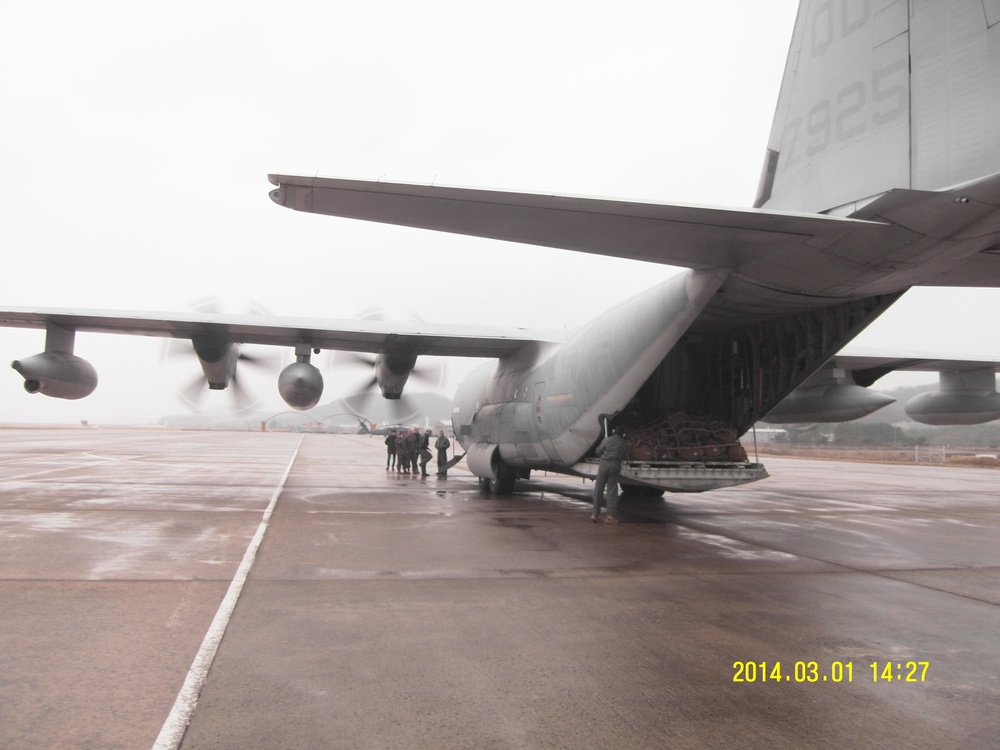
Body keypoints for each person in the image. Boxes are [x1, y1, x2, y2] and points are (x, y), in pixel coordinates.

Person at [593, 425, 628, 524]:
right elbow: (626, 454)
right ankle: (610, 516)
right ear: (622, 434)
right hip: (615, 465)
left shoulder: (607, 440)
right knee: (612, 490)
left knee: (598, 488)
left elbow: (598, 451)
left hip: (604, 464)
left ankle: (595, 514)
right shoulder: (624, 443)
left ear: (613, 432)